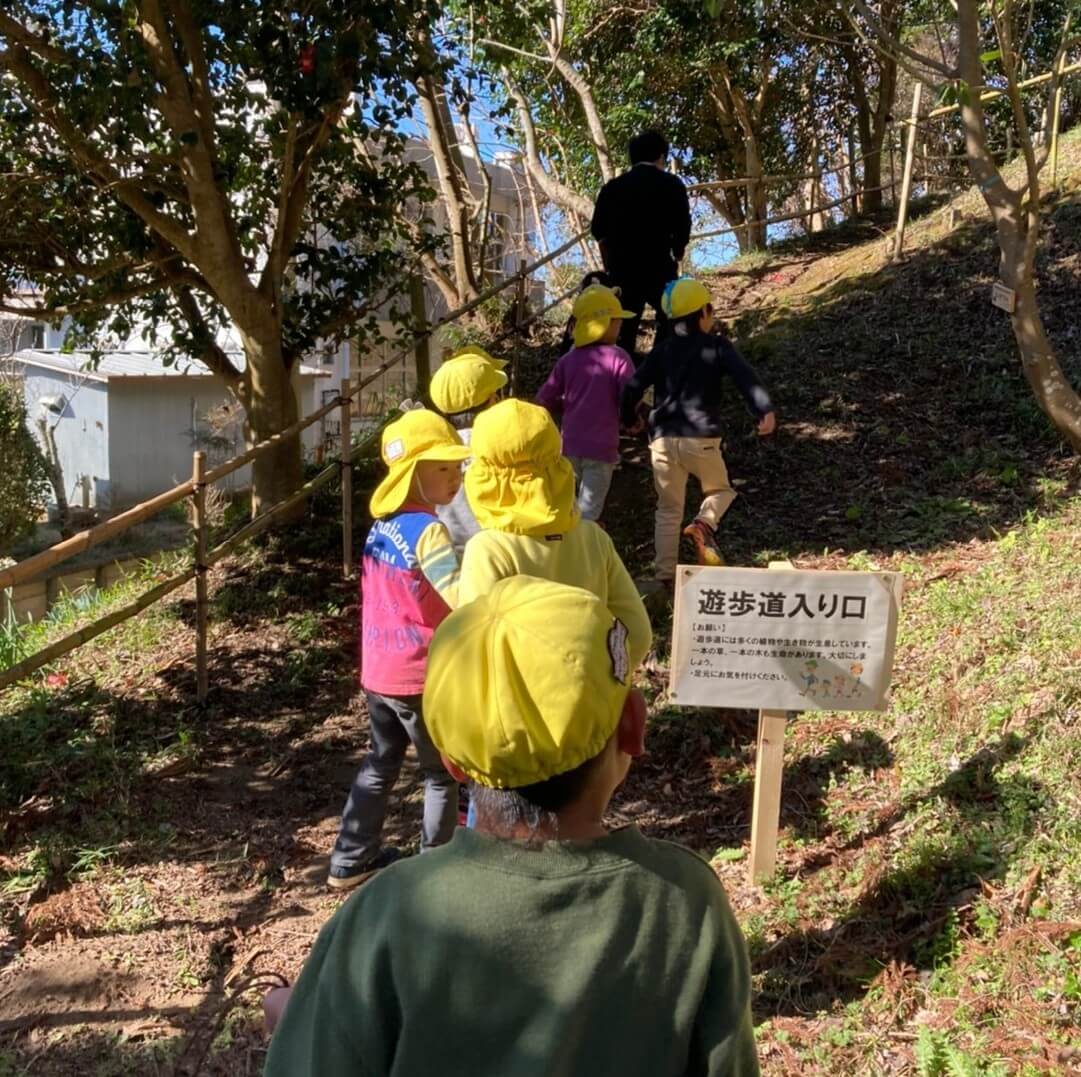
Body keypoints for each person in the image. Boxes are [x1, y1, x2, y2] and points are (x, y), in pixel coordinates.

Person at [265, 576, 760, 1076]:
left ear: (453, 761)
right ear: (633, 725)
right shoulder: (687, 903)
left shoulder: (384, 914)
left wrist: (296, 1016)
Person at [326, 409, 471, 891]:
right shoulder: (429, 532)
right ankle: (437, 871)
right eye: (443, 470)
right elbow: (458, 594)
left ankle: (349, 859)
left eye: (457, 468)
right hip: (421, 675)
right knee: (440, 775)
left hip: (379, 671)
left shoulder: (380, 527)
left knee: (381, 761)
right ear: (412, 475)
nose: (455, 478)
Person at [458, 398, 652, 668]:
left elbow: (472, 646)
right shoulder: (593, 538)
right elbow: (638, 633)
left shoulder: (489, 550)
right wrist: (605, 681)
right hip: (590, 699)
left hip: (519, 702)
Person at [620, 277, 776, 584]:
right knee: (721, 490)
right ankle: (704, 524)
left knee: (667, 509)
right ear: (703, 313)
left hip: (663, 441)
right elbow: (746, 377)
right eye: (711, 310)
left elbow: (633, 386)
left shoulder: (662, 351)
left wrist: (629, 417)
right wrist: (764, 410)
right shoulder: (717, 346)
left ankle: (665, 577)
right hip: (701, 439)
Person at [537, 284, 637, 522]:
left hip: (568, 446)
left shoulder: (567, 361)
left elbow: (544, 399)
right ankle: (583, 552)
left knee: (567, 506)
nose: (620, 325)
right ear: (605, 324)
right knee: (590, 511)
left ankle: (563, 548)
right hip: (602, 448)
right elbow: (630, 395)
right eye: (617, 320)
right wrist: (633, 419)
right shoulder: (618, 357)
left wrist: (567, 406)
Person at [590, 129, 692, 359]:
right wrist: (678, 251)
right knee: (672, 315)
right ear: (660, 156)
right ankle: (660, 362)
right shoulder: (672, 184)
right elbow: (682, 225)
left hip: (622, 270)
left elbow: (599, 231)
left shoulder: (612, 188)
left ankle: (621, 377)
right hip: (659, 265)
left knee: (622, 326)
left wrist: (609, 264)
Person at [428, 346, 508, 556]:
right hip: (497, 556)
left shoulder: (433, 449)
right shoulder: (503, 445)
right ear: (492, 400)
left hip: (444, 557)